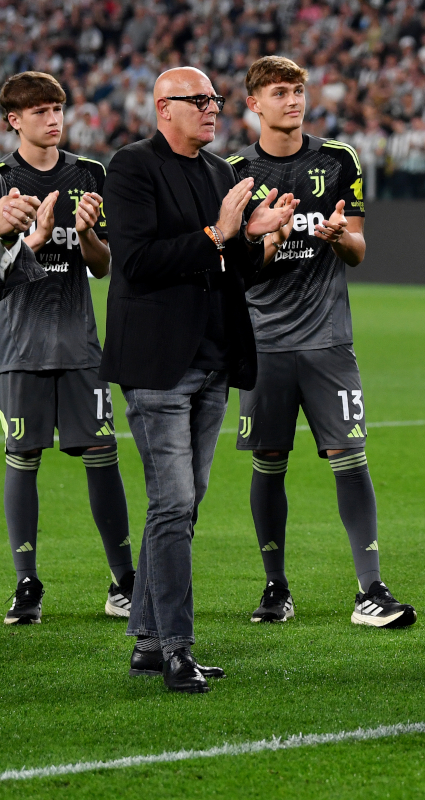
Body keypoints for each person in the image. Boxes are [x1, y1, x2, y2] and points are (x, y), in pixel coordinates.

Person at [102, 66, 296, 692]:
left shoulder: (220, 173)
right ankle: (178, 648)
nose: (213, 109)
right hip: (158, 364)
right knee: (174, 504)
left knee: (181, 509)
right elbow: (134, 261)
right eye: (200, 100)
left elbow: (231, 266)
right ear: (164, 108)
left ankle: (149, 643)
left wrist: (259, 240)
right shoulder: (131, 167)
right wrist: (220, 232)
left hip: (212, 361)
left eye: (215, 100)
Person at [227, 56, 416, 629]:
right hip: (261, 341)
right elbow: (231, 268)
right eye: (280, 93)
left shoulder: (338, 161)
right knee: (269, 458)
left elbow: (358, 249)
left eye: (299, 91)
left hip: (328, 339)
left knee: (349, 454)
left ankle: (372, 590)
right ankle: (274, 587)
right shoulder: (232, 172)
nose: (293, 101)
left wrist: (336, 238)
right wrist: (269, 240)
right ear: (253, 104)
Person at [0, 72, 134, 625]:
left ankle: (124, 581)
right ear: (14, 120)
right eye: (39, 111)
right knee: (22, 459)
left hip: (81, 346)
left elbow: (104, 267)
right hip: (19, 347)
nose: (53, 119)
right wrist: (22, 241)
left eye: (57, 108)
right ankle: (27, 583)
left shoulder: (90, 174)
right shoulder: (1, 181)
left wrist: (86, 236)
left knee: (103, 458)